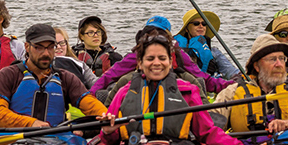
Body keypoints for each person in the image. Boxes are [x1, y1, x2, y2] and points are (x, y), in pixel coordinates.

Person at [99, 33, 269, 145]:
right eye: (150, 59)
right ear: (140, 63)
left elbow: (208, 133)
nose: (156, 63)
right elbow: (110, 141)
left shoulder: (188, 91)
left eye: (162, 58)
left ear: (170, 60)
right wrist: (108, 131)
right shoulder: (124, 93)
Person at [0, 23, 108, 128]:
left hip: (53, 141)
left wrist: (106, 116)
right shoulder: (8, 75)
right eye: (39, 47)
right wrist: (30, 123)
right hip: (14, 140)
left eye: (50, 47)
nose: (46, 53)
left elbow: (90, 105)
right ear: (27, 47)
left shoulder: (66, 78)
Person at [91, 17, 231, 103]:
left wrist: (230, 86)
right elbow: (112, 74)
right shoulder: (137, 54)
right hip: (142, 85)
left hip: (173, 85)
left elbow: (203, 77)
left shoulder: (179, 54)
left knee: (196, 82)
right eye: (150, 32)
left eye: (159, 33)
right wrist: (90, 94)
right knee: (122, 82)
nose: (154, 36)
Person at [213, 34, 288, 136]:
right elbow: (209, 125)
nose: (279, 64)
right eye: (272, 59)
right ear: (256, 66)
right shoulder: (232, 93)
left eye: (282, 58)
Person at [174, 9, 241, 79]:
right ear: (187, 29)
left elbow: (231, 71)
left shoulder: (214, 52)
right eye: (196, 23)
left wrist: (240, 77)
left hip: (209, 83)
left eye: (204, 24)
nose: (201, 26)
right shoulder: (176, 49)